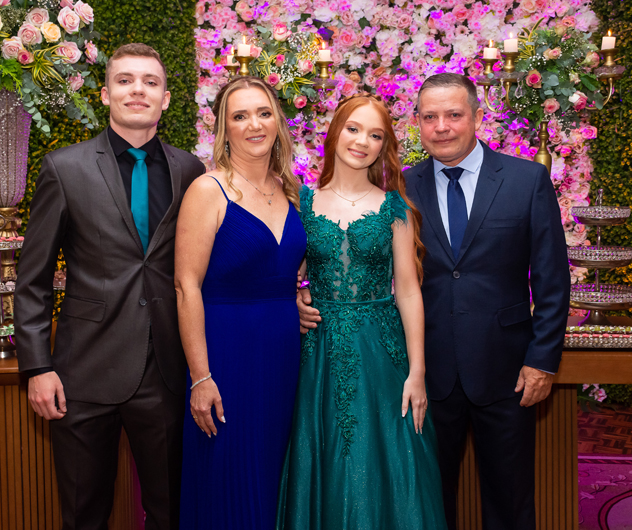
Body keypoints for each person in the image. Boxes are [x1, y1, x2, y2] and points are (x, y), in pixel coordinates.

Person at [299, 74, 570, 530]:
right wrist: (300, 291)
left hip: (506, 371)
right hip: (423, 372)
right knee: (424, 500)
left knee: (511, 499)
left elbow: (552, 278)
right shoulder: (403, 189)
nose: (441, 126)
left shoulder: (526, 180)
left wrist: (541, 361)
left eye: (453, 115)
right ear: (418, 124)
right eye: (430, 117)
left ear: (477, 117)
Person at [14, 43, 206, 529]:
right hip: (81, 374)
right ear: (105, 94)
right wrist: (37, 367)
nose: (137, 90)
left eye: (150, 82)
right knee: (84, 515)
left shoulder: (192, 172)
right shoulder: (65, 168)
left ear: (166, 98)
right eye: (124, 80)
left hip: (165, 371)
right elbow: (33, 279)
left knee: (170, 513)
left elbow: (206, 268)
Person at [277, 93, 447, 530]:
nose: (361, 141)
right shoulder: (302, 202)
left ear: (383, 146)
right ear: (336, 132)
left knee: (385, 459)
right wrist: (295, 297)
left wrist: (417, 372)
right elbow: (283, 274)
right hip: (317, 355)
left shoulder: (395, 208)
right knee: (323, 452)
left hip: (381, 353)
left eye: (375, 135)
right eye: (353, 129)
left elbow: (408, 292)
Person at [175, 76, 306, 530]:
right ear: (224, 129)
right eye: (240, 116)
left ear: (278, 122)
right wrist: (200, 377)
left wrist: (302, 294)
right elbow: (186, 286)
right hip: (226, 358)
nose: (255, 124)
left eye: (264, 113)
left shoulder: (291, 190)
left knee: (277, 476)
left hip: (286, 358)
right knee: (228, 477)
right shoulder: (208, 190)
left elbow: (290, 270)